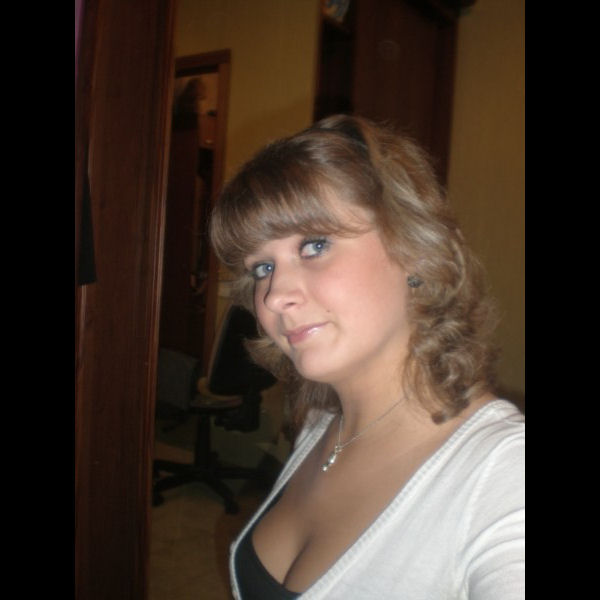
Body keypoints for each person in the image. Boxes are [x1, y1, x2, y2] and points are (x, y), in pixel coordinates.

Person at [209, 114, 524, 599]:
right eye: (263, 268)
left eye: (314, 245)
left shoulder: (503, 473)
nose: (275, 296)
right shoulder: (322, 426)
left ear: (412, 249)